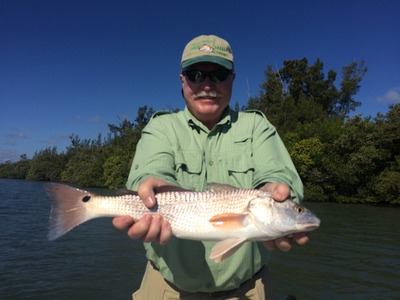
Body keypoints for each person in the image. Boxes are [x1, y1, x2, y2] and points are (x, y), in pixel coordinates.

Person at [113, 35, 310, 300]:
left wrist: (279, 193)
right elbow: (151, 170)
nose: (207, 85)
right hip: (164, 289)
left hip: (248, 290)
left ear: (232, 79)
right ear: (182, 80)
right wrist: (150, 182)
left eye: (218, 74)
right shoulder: (161, 127)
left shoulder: (257, 127)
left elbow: (279, 176)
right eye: (195, 75)